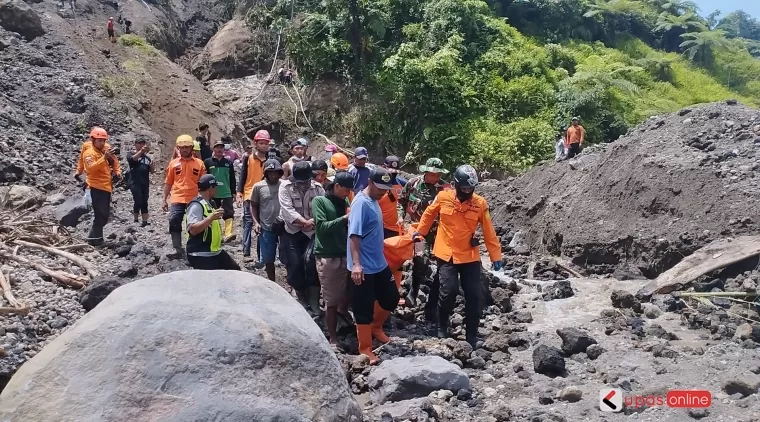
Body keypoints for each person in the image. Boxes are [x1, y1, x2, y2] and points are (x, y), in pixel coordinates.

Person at [414, 165, 502, 347]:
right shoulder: (443, 197)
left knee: (474, 295)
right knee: (449, 292)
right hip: (446, 253)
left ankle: (471, 334)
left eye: (471, 188)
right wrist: (419, 233)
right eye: (464, 188)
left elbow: (489, 231)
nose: (468, 191)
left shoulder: (480, 203)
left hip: (469, 255)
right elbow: (429, 214)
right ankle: (441, 327)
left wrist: (496, 256)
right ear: (456, 184)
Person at [348, 167, 399, 364]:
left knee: (391, 298)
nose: (383, 192)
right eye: (380, 188)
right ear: (370, 183)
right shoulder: (361, 203)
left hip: (378, 262)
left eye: (386, 189)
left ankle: (376, 327)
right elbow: (354, 235)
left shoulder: (376, 200)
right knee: (363, 308)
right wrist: (357, 265)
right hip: (363, 267)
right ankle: (365, 348)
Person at [398, 157, 449, 316]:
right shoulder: (413, 184)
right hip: (419, 229)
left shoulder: (445, 189)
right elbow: (401, 201)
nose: (435, 177)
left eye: (438, 175)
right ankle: (414, 290)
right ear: (425, 172)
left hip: (440, 230)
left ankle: (435, 300)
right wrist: (400, 216)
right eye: (432, 174)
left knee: (443, 263)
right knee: (421, 259)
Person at [312, 171, 355, 346]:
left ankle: (343, 318)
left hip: (345, 253)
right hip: (327, 255)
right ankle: (332, 338)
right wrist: (345, 219)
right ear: (336, 186)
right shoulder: (320, 201)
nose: (348, 194)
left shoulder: (344, 201)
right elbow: (321, 228)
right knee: (330, 299)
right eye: (346, 190)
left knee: (347, 293)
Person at [279, 161, 325, 314]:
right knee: (295, 263)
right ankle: (300, 295)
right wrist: (304, 221)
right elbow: (287, 210)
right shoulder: (285, 187)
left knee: (311, 263)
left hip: (311, 232)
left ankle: (314, 299)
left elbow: (323, 208)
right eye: (300, 182)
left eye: (306, 182)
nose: (303, 185)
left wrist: (314, 221)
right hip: (291, 230)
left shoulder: (318, 188)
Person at [185, 175, 241, 271]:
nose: (217, 190)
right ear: (211, 188)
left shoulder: (209, 203)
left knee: (235, 270)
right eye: (216, 187)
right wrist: (211, 218)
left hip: (214, 252)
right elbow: (193, 230)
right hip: (200, 254)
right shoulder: (196, 205)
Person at [163, 135, 206, 258]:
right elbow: (168, 182)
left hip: (194, 199)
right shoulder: (173, 164)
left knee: (194, 224)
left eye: (187, 147)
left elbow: (204, 183)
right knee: (174, 220)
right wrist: (164, 200)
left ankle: (193, 247)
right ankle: (177, 248)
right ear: (178, 148)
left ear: (192, 148)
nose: (184, 150)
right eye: (181, 147)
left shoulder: (199, 164)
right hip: (177, 198)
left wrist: (206, 200)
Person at [82, 127, 121, 245]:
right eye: (99, 140)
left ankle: (92, 239)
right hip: (95, 187)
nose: (102, 143)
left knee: (104, 215)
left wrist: (117, 172)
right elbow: (91, 169)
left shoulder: (105, 150)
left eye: (104, 141)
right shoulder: (89, 153)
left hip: (106, 187)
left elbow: (115, 161)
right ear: (93, 140)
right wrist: (104, 158)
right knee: (101, 215)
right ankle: (96, 240)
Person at [238, 129, 270, 258]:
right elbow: (243, 175)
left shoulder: (270, 160)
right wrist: (239, 192)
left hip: (264, 194)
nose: (263, 145)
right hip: (249, 192)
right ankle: (246, 250)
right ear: (255, 144)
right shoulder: (248, 158)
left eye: (265, 143)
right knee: (248, 221)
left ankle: (260, 252)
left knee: (262, 222)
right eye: (261, 143)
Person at [250, 159, 283, 281]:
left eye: (276, 172)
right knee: (268, 259)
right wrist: (256, 222)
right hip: (267, 227)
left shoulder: (284, 185)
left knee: (289, 258)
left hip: (285, 227)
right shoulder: (258, 187)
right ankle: (271, 282)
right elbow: (253, 205)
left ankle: (292, 285)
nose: (273, 175)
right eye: (270, 172)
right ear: (266, 173)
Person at [204, 140, 237, 242]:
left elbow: (232, 178)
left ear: (224, 149)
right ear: (213, 149)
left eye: (221, 147)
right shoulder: (208, 162)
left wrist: (234, 192)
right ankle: (216, 235)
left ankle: (228, 234)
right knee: (213, 214)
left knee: (229, 213)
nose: (219, 149)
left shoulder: (228, 162)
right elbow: (205, 178)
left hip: (226, 192)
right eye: (217, 147)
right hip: (212, 193)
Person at [127, 138, 153, 227]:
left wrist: (152, 166)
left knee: (144, 201)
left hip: (145, 183)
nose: (142, 145)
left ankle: (144, 221)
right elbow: (132, 160)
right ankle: (136, 218)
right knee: (138, 199)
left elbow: (152, 171)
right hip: (134, 182)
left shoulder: (147, 158)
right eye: (140, 143)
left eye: (143, 144)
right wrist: (141, 152)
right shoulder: (131, 154)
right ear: (135, 144)